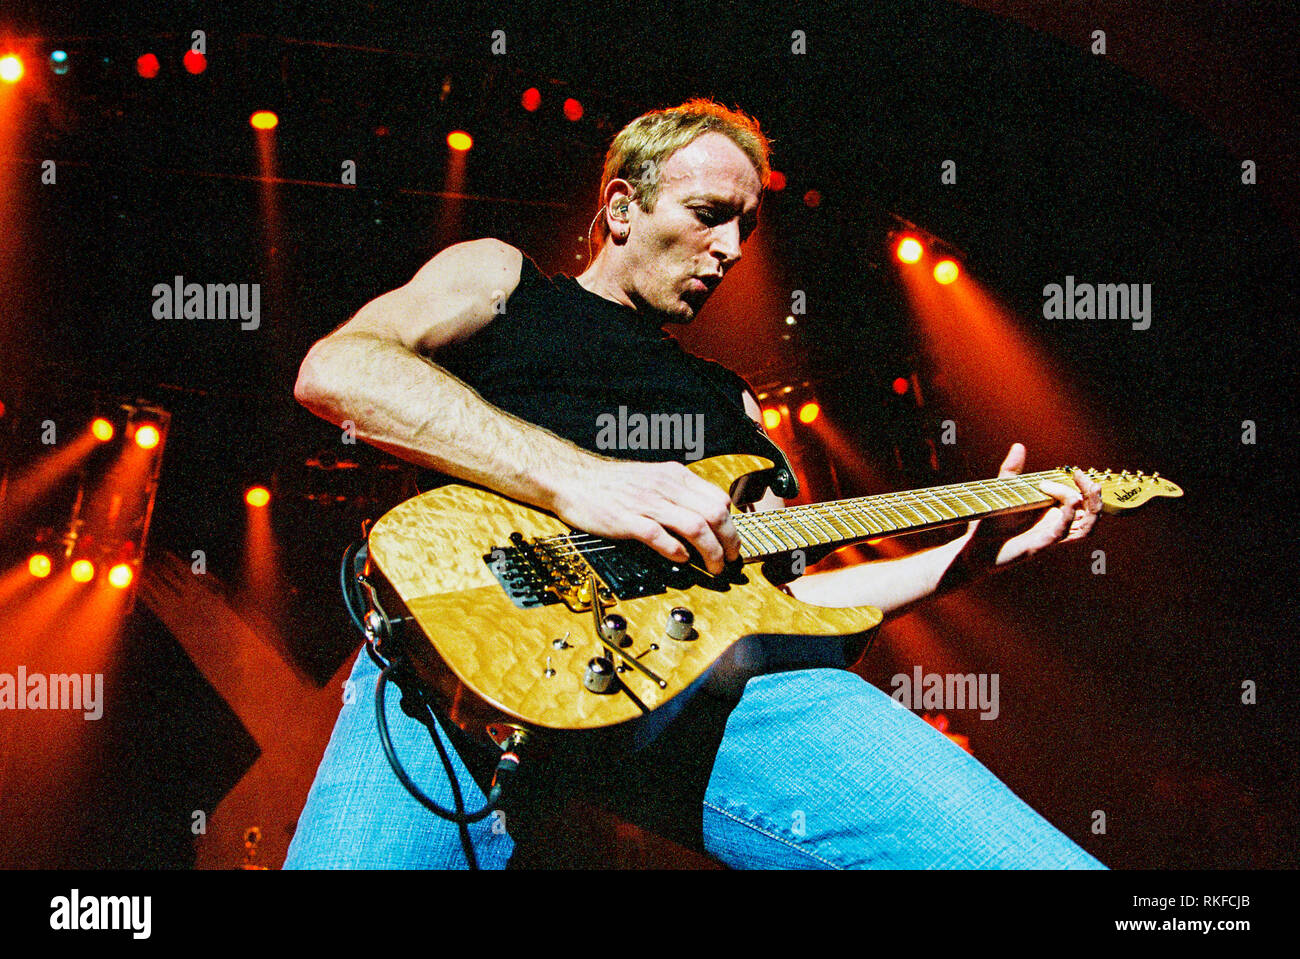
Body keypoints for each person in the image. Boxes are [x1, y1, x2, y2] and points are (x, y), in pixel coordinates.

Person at [286, 98, 1105, 869]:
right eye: (710, 214)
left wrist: (967, 557)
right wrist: (586, 481)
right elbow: (340, 368)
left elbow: (786, 606)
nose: (733, 248)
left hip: (693, 702)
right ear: (619, 208)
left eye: (746, 226)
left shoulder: (731, 403)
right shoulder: (503, 281)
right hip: (452, 667)